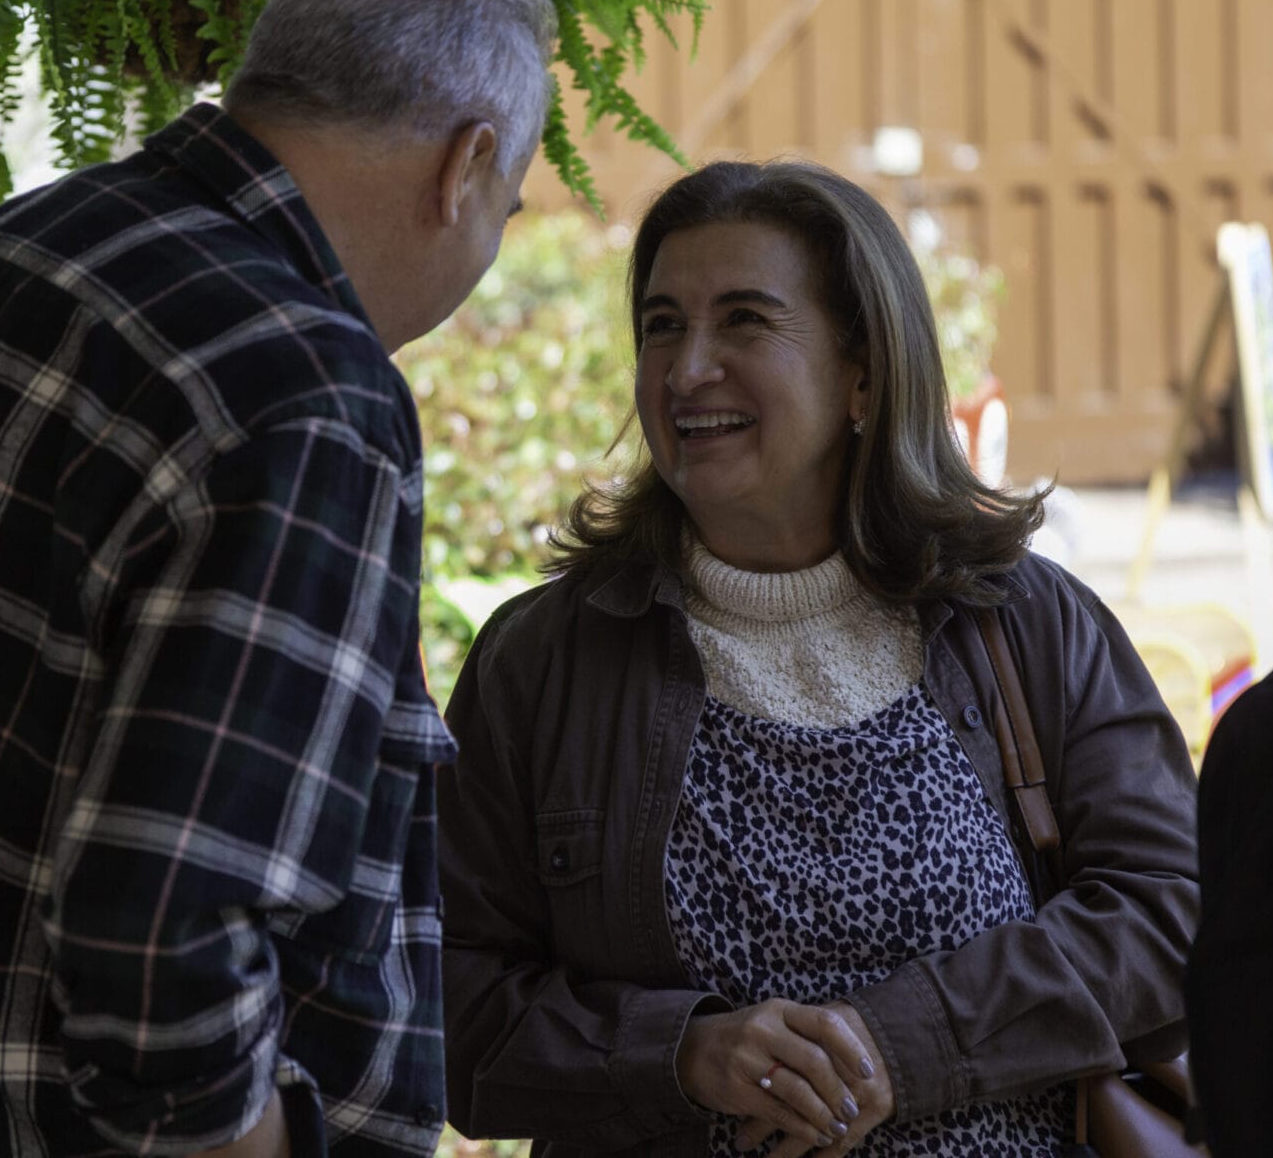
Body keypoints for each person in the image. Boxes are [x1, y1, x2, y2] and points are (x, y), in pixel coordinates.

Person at [0, 0, 553, 1158]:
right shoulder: (303, 394)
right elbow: (164, 932)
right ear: (465, 165)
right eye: (511, 208)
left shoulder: (2, 251)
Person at [438, 160, 1199, 1157]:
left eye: (744, 321)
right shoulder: (541, 662)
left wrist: (901, 1042)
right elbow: (443, 995)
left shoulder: (1021, 621)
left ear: (864, 374)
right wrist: (685, 1052)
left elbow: (1170, 914)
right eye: (662, 324)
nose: (687, 367)